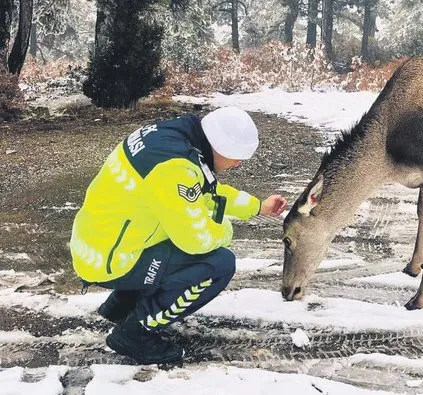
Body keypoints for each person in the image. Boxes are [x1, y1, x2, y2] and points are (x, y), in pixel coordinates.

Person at [69, 107, 288, 364]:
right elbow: (196, 240)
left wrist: (257, 207)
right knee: (217, 263)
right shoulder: (174, 169)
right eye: (237, 157)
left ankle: (122, 305)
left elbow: (206, 191)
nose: (239, 164)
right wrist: (224, 231)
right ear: (222, 147)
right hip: (111, 260)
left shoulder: (172, 140)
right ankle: (135, 332)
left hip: (100, 243)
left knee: (173, 229)